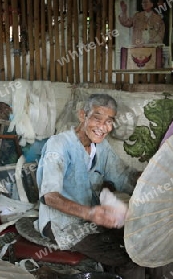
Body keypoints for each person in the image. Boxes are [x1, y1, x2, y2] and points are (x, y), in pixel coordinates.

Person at [36, 94, 145, 278]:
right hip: (62, 224)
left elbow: (124, 176)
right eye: (97, 118)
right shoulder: (59, 145)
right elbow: (50, 197)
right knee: (129, 259)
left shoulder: (102, 148)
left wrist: (151, 179)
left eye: (109, 121)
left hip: (92, 221)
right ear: (82, 116)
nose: (103, 127)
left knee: (140, 243)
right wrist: (90, 213)